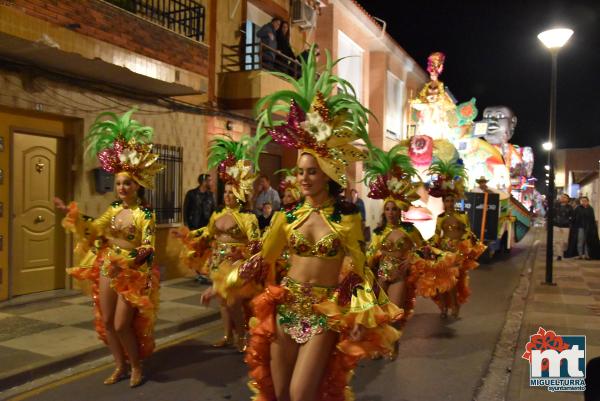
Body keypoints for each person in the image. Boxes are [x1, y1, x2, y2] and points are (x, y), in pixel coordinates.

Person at [242, 49, 401, 400]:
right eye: (300, 171)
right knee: (280, 393)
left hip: (324, 312)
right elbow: (263, 260)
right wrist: (231, 279)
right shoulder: (286, 217)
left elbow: (359, 271)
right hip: (286, 306)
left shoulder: (346, 219)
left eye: (311, 171)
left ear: (328, 174)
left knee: (301, 393)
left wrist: (360, 315)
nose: (303, 178)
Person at [53, 109, 163, 387]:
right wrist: (73, 214)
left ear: (137, 186)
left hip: (131, 273)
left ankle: (136, 366)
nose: (122, 187)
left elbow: (149, 245)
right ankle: (120, 366)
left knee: (120, 324)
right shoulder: (113, 209)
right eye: (118, 183)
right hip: (107, 266)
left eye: (127, 183)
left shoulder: (145, 214)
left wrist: (141, 259)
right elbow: (95, 227)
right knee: (106, 321)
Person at [176, 134, 267, 352]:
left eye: (231, 192)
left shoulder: (248, 218)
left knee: (233, 300)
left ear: (240, 194)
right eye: (225, 192)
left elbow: (257, 244)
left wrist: (243, 255)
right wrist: (187, 235)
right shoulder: (218, 215)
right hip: (218, 262)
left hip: (237, 265)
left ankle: (243, 334)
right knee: (224, 302)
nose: (227, 196)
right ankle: (227, 335)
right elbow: (206, 234)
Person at [364, 146, 426, 337]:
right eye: (388, 209)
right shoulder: (379, 232)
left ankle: (394, 343)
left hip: (399, 275)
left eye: (394, 209)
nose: (391, 212)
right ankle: (381, 344)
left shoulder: (409, 230)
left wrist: (412, 259)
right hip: (382, 275)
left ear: (401, 211)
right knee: (380, 315)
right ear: (384, 211)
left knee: (395, 314)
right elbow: (370, 254)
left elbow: (423, 248)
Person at [428, 159, 486, 318]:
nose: (449, 203)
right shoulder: (440, 217)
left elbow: (467, 232)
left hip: (457, 252)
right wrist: (430, 247)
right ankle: (443, 307)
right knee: (440, 281)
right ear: (443, 202)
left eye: (451, 200)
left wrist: (467, 245)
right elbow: (436, 235)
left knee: (453, 281)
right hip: (443, 251)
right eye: (447, 200)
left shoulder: (462, 216)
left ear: (455, 201)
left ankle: (454, 305)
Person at [554, 193, 573, 260]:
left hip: (566, 226)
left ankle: (563, 251)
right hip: (556, 225)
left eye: (564, 197)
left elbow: (572, 217)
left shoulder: (570, 207)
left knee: (565, 241)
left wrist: (569, 222)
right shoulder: (556, 206)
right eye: (561, 197)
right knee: (557, 241)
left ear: (568, 199)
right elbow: (552, 214)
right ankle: (559, 255)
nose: (562, 198)